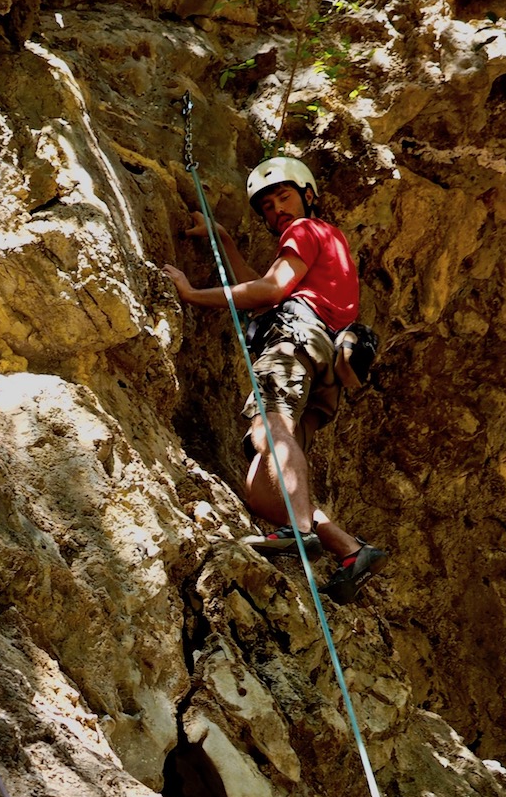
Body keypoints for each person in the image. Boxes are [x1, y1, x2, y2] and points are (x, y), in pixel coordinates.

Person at [162, 156, 386, 606]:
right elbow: (264, 288)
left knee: (269, 427)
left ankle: (300, 530)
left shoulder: (304, 230)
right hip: (324, 364)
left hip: (295, 343)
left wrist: (190, 294)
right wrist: (223, 239)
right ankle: (350, 550)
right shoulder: (330, 242)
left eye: (283, 197)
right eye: (267, 206)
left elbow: (269, 292)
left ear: (308, 195)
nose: (277, 210)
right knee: (263, 491)